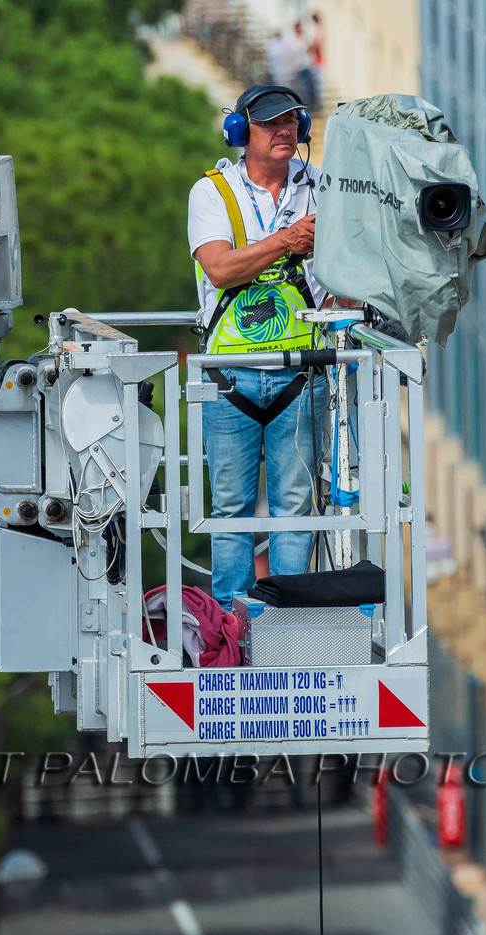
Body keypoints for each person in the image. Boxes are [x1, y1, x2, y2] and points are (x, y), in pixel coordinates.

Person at [188, 84, 329, 607]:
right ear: (242, 132)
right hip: (232, 373)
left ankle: (287, 621)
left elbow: (343, 273)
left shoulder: (323, 188)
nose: (285, 131)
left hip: (301, 370)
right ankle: (229, 621)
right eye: (272, 123)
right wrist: (287, 240)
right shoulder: (212, 193)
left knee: (296, 504)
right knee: (232, 509)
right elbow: (222, 269)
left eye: (292, 121)